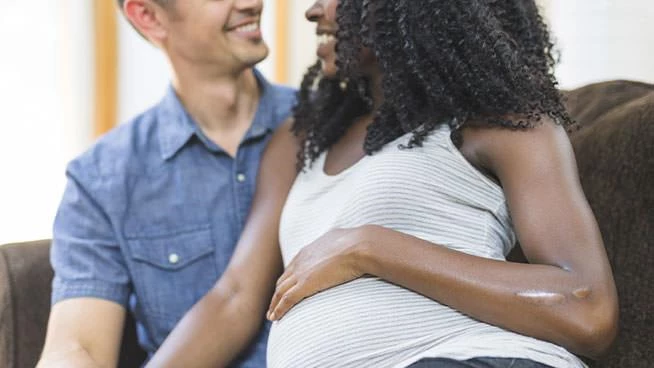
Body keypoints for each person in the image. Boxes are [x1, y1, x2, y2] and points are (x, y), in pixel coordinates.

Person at [146, 0, 619, 367]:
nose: (314, 10)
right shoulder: (300, 142)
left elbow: (587, 308)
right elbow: (232, 298)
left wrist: (369, 248)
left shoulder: (502, 121)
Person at [37, 0, 295, 367]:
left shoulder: (329, 127)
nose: (253, 3)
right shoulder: (100, 178)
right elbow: (78, 346)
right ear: (148, 16)